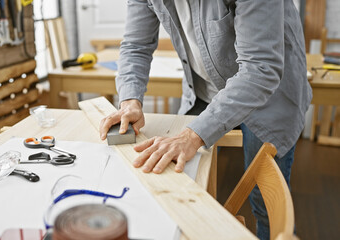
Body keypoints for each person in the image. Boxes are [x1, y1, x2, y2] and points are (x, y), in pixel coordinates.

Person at [99, 0, 311, 239]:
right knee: (179, 183)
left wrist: (192, 135)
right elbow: (136, 46)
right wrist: (130, 101)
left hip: (269, 97)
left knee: (265, 203)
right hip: (204, 91)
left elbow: (260, 69)